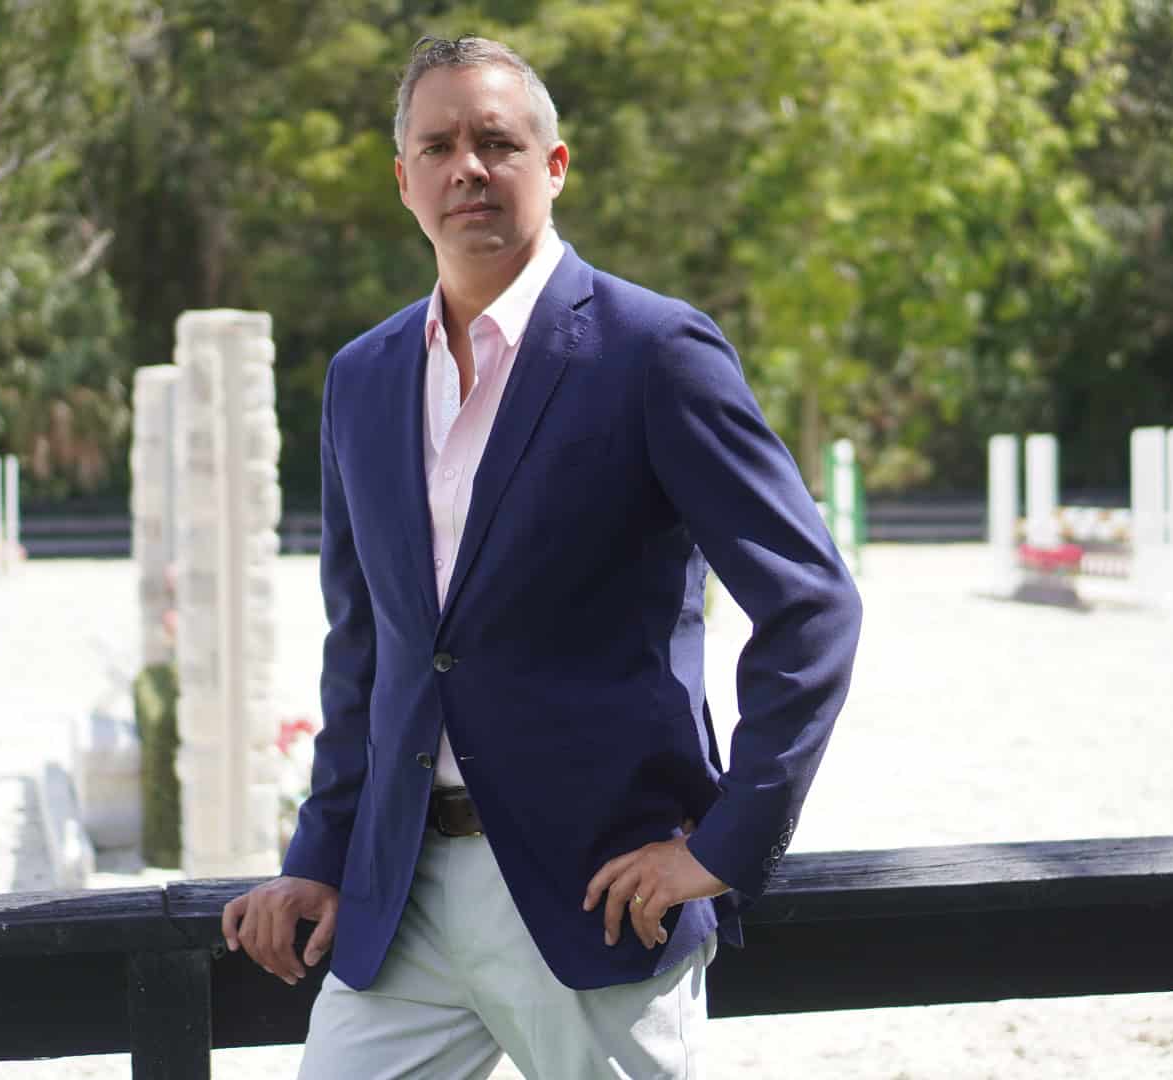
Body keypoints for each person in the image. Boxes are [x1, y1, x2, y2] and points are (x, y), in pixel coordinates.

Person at [221, 34, 862, 1078]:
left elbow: (814, 606)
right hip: (398, 904)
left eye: (497, 142)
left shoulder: (655, 352)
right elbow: (367, 650)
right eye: (438, 147)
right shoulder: (363, 376)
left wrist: (724, 845)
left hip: (595, 898)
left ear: (554, 165)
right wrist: (321, 861)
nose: (467, 167)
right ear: (404, 179)